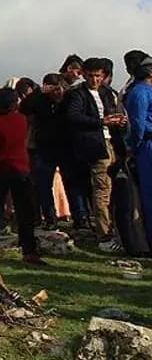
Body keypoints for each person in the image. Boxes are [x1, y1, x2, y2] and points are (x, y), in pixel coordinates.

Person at [0, 88, 45, 265]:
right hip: (21, 169)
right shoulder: (22, 120)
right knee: (25, 211)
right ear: (15, 102)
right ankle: (28, 250)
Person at [66, 58, 124, 252]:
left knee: (114, 188)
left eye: (98, 75)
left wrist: (119, 121)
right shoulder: (78, 94)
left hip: (112, 143)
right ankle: (104, 234)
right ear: (84, 74)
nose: (95, 79)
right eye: (91, 75)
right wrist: (101, 122)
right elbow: (73, 117)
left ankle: (114, 229)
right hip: (95, 146)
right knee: (102, 189)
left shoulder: (108, 93)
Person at [21, 73, 67, 229]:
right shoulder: (39, 101)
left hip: (64, 146)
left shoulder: (67, 99)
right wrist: (39, 92)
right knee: (43, 185)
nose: (55, 92)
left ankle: (80, 218)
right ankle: (49, 218)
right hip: (44, 148)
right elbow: (24, 108)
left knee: (70, 184)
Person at [125, 56, 152, 250]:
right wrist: (134, 147)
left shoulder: (143, 92)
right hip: (147, 145)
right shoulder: (140, 92)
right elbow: (138, 125)